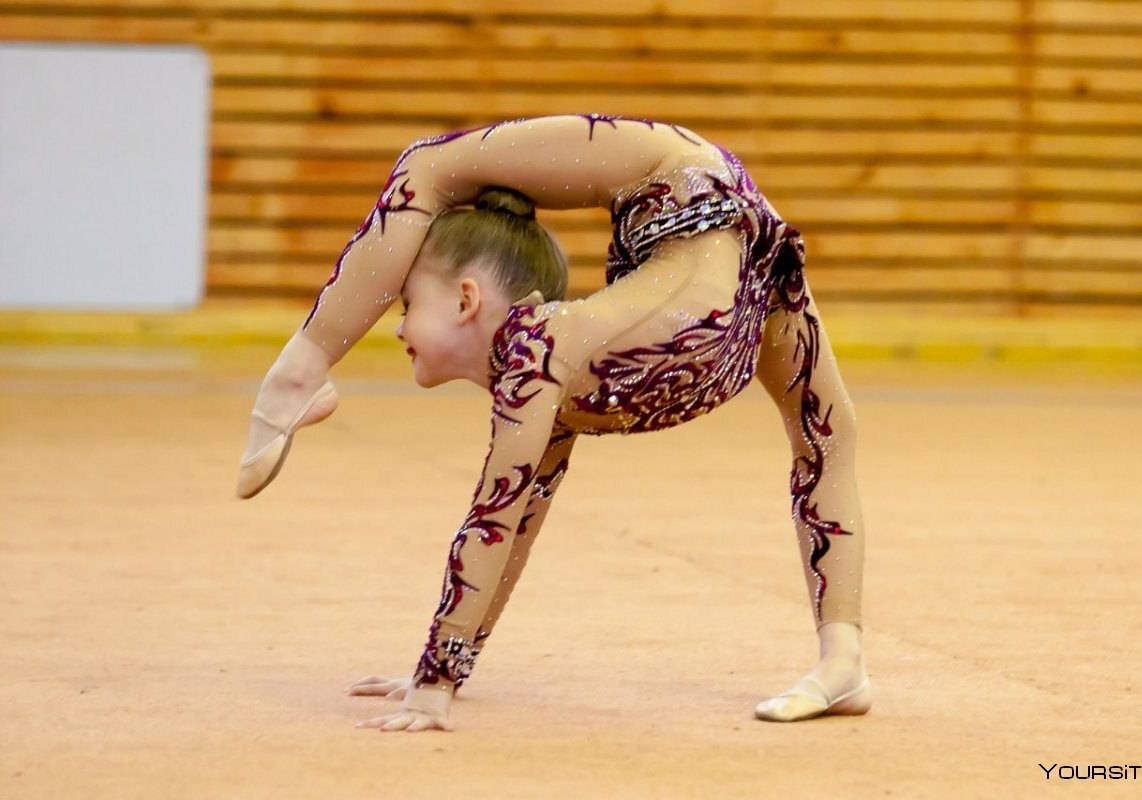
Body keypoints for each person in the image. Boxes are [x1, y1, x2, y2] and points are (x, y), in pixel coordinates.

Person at [237, 115, 870, 733]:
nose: (398, 326)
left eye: (407, 303)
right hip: (744, 268)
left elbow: (491, 517)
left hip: (682, 183)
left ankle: (300, 368)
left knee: (426, 164)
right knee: (827, 433)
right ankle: (844, 663)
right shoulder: (559, 370)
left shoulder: (536, 349)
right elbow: (518, 524)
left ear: (466, 299)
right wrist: (444, 673)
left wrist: (433, 687)